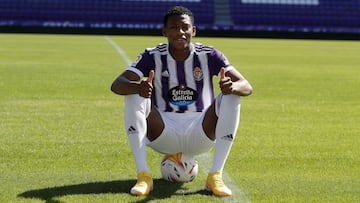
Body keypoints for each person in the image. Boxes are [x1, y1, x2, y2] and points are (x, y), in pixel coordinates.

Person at [111, 6, 252, 197]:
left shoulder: (209, 55)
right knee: (133, 94)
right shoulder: (152, 55)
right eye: (174, 28)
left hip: (200, 132)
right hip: (163, 132)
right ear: (165, 32)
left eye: (185, 27)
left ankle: (215, 175)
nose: (180, 32)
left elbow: (246, 85)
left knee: (233, 96)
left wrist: (232, 87)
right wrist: (138, 88)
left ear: (193, 30)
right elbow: (118, 84)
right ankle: (143, 175)